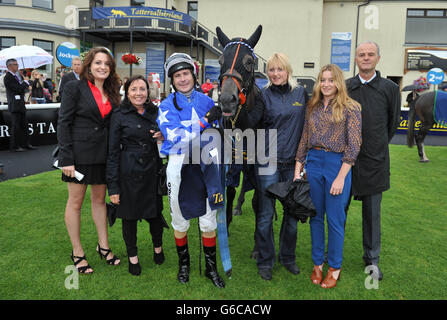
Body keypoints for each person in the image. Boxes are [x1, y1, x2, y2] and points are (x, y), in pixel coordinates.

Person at [157, 52, 225, 288]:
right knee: (179, 218)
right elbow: (176, 139)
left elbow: (220, 135)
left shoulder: (208, 101)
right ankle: (183, 265)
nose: (183, 79)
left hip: (206, 163)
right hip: (178, 164)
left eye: (186, 73)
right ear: (172, 80)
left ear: (194, 76)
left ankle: (211, 268)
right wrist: (206, 121)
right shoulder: (166, 105)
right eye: (178, 75)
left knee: (208, 220)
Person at [294, 64, 362, 289]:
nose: (326, 84)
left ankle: (334, 267)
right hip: (313, 162)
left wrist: (341, 177)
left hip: (337, 165)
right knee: (315, 217)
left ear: (338, 82)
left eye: (331, 80)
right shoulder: (312, 106)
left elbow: (354, 145)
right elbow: (304, 137)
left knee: (335, 220)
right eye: (322, 80)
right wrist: (298, 167)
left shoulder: (351, 108)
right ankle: (317, 264)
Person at [57, 47, 122, 274]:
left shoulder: (114, 92)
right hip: (77, 157)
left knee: (99, 201)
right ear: (89, 66)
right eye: (98, 63)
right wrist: (66, 158)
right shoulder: (74, 88)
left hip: (104, 156)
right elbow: (63, 123)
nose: (102, 67)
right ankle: (77, 252)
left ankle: (103, 246)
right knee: (75, 203)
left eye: (106, 63)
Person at [346, 41, 401, 281]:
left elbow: (392, 125)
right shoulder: (346, 87)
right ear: (355, 59)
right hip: (345, 162)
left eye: (370, 54)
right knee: (338, 212)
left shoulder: (389, 88)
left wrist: (375, 146)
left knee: (372, 215)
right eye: (361, 55)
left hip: (375, 162)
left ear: (378, 58)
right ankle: (332, 253)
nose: (366, 58)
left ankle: (372, 259)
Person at [106, 75, 167, 276]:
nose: (138, 93)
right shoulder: (119, 114)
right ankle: (133, 258)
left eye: (142, 89)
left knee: (156, 215)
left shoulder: (156, 112)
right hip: (128, 173)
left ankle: (158, 249)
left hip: (152, 171)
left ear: (148, 92)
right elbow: (112, 152)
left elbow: (168, 136)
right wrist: (113, 188)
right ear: (127, 91)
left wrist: (163, 135)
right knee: (129, 219)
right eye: (134, 89)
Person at [255, 52, 308, 281]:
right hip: (268, 163)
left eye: (280, 69)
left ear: (288, 71)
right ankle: (265, 260)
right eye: (271, 70)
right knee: (266, 215)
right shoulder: (262, 95)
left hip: (293, 164)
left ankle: (288, 258)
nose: (275, 74)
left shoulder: (301, 93)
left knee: (292, 216)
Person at [3, 59, 36, 152]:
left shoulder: (16, 76)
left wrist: (26, 85)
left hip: (20, 104)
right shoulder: (8, 77)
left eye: (17, 64)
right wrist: (25, 83)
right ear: (9, 66)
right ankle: (14, 146)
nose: (17, 66)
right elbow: (17, 89)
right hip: (14, 105)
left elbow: (21, 90)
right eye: (15, 64)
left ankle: (25, 144)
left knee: (24, 126)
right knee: (16, 126)